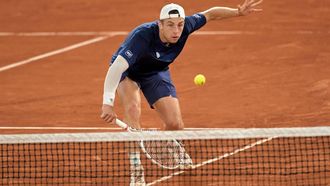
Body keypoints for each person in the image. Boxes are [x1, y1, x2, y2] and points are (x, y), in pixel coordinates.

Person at [101, 0, 263, 130]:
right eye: (170, 24)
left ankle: (169, 147)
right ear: (160, 24)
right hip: (129, 72)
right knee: (132, 109)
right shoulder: (142, 36)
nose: (176, 31)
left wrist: (238, 12)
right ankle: (135, 165)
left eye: (180, 24)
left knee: (175, 124)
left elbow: (211, 14)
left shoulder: (186, 26)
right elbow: (117, 67)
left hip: (155, 71)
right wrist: (108, 103)